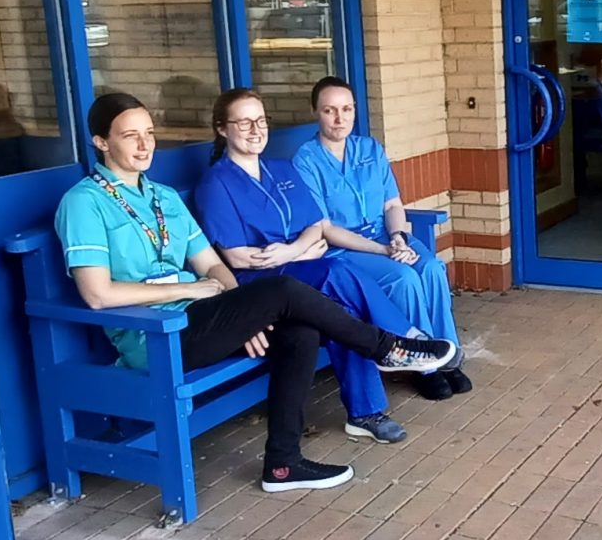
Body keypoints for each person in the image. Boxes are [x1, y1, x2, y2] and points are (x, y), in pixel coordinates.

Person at [53, 92, 458, 494]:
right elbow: (98, 294)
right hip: (155, 334)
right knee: (286, 288)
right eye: (130, 136)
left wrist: (241, 316)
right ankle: (385, 346)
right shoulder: (84, 203)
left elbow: (212, 266)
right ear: (102, 142)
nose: (145, 145)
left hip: (203, 317)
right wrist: (195, 289)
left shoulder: (163, 198)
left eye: (150, 133)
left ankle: (283, 464)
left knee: (301, 331)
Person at [193, 87, 449, 444]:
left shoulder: (280, 169)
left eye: (261, 120)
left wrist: (293, 250)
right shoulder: (217, 184)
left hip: (297, 264)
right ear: (222, 129)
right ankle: (399, 340)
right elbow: (238, 257)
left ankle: (364, 413)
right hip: (259, 283)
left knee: (337, 309)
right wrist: (300, 253)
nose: (256, 130)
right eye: (244, 122)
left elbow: (316, 226)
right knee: (337, 272)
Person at [292, 76, 468, 399]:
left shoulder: (370, 148)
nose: (339, 118)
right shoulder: (306, 159)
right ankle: (423, 364)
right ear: (316, 112)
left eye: (346, 109)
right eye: (329, 110)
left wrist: (399, 237)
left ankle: (448, 356)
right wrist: (384, 250)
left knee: (430, 269)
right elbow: (326, 228)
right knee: (403, 279)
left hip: (386, 236)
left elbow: (392, 204)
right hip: (343, 248)